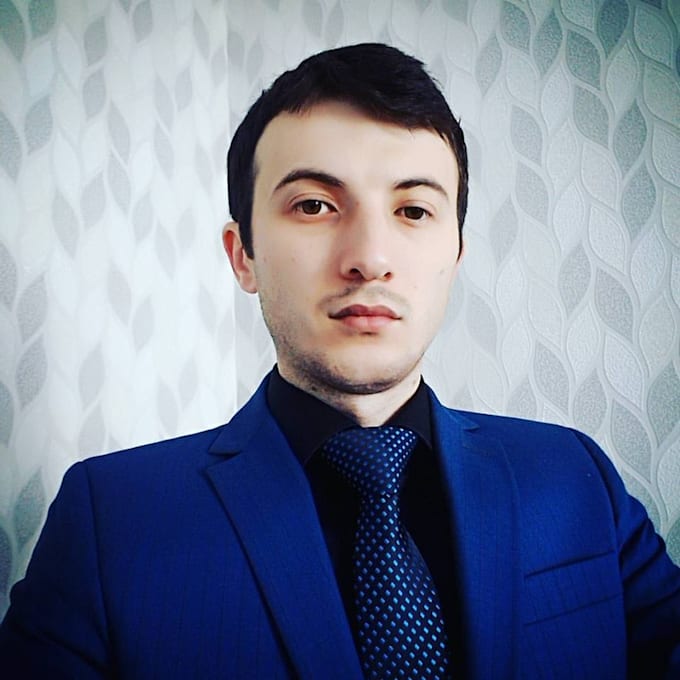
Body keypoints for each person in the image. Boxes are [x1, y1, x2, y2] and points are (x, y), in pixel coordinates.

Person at [1, 43, 679, 679]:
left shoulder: (576, 479)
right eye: (315, 204)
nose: (370, 258)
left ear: (456, 255)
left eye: (414, 211)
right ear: (243, 256)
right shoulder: (111, 521)